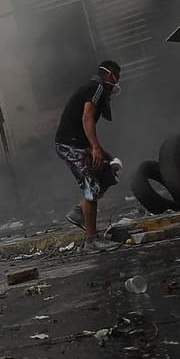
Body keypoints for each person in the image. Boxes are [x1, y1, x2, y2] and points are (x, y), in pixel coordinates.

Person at [54, 59, 122, 248]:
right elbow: (87, 117)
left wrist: (100, 151)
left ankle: (79, 212)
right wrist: (95, 147)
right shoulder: (97, 88)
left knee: (107, 174)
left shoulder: (95, 89)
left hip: (78, 145)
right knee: (91, 187)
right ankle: (92, 240)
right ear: (109, 75)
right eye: (117, 77)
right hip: (69, 146)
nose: (117, 82)